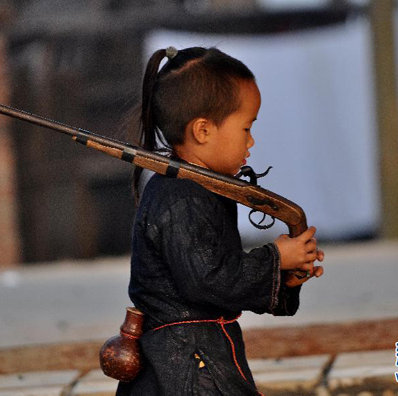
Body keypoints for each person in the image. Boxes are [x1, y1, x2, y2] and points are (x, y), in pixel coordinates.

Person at [117, 46, 325, 396]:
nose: (251, 141)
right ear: (203, 130)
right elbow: (209, 279)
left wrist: (286, 277)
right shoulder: (180, 197)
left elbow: (222, 277)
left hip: (198, 356)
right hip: (184, 368)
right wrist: (275, 258)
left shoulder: (198, 189)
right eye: (245, 128)